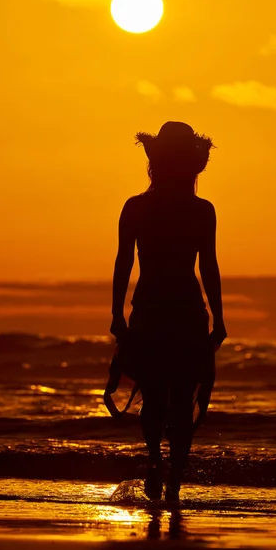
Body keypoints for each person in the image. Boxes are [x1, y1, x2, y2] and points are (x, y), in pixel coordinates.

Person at [108, 121, 226, 503]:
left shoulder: (137, 207)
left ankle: (158, 462)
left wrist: (117, 314)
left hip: (151, 311)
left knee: (156, 398)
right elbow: (208, 266)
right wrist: (220, 319)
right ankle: (172, 477)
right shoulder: (201, 210)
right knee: (179, 402)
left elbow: (124, 263)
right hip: (186, 312)